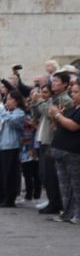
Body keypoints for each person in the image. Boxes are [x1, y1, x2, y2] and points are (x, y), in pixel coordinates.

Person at [47, 81, 80, 224]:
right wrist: (55, 117)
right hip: (60, 150)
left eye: (76, 92)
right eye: (72, 92)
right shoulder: (72, 108)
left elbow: (73, 126)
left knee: (76, 186)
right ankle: (67, 213)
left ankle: (77, 214)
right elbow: (57, 127)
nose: (73, 95)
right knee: (64, 186)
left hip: (73, 152)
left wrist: (58, 116)